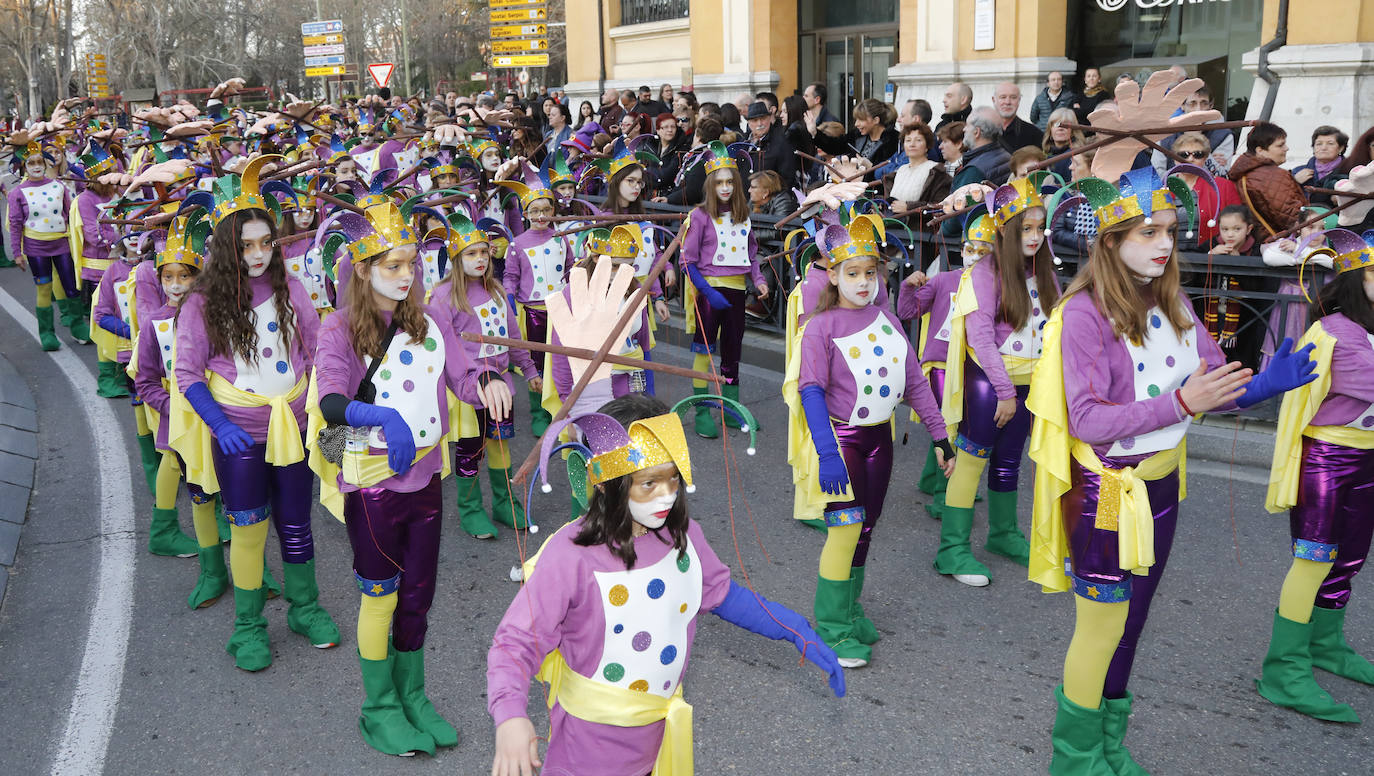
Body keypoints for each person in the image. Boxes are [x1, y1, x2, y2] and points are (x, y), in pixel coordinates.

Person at [1028, 166, 1316, 774]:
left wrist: (1265, 383)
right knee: (1102, 626)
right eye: (1149, 232)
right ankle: (1074, 758)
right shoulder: (1082, 313)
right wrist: (1183, 403)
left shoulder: (1173, 299)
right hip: (1108, 489)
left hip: (1160, 483)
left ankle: (1108, 744)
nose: (1166, 243)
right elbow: (1086, 419)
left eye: (1171, 229)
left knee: (1132, 624)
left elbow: (1211, 383)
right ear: (1109, 240)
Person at [489, 309, 844, 775]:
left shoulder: (683, 535)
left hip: (656, 739)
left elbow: (721, 594)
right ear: (608, 484)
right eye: (647, 484)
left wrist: (792, 627)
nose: (666, 496)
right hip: (585, 748)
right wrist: (510, 717)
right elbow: (514, 643)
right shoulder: (570, 554)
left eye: (673, 480)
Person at [310, 199, 512, 756]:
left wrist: (489, 380)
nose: (405, 276)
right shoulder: (338, 326)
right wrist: (379, 416)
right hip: (372, 479)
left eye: (411, 265)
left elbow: (462, 372)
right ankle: (378, 708)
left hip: (424, 477)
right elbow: (329, 400)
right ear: (363, 266)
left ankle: (412, 694)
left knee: (419, 594)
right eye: (391, 265)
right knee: (381, 596)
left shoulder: (432, 317)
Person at [171, 158, 340, 672]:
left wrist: (323, 412)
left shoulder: (293, 290)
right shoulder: (201, 303)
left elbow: (318, 350)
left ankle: (305, 609)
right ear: (226, 246)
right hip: (238, 438)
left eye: (266, 241)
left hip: (294, 432)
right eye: (246, 245)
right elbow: (186, 373)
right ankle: (248, 627)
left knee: (296, 525)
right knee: (247, 529)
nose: (259, 253)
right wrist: (220, 426)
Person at [786, 212, 954, 668]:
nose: (863, 282)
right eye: (852, 273)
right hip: (843, 440)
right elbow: (811, 392)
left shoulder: (888, 319)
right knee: (843, 531)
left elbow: (915, 380)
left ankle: (850, 609)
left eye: (870, 272)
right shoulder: (821, 326)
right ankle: (831, 626)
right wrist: (826, 452)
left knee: (867, 529)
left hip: (881, 438)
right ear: (833, 276)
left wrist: (940, 436)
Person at [1258, 228, 1374, 725]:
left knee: (1349, 559)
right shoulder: (1333, 332)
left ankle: (1326, 644)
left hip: (1368, 458)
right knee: (1313, 560)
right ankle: (1283, 669)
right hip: (1327, 459)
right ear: (1353, 277)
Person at [938, 177, 1061, 588]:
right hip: (991, 385)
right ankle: (952, 550)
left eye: (1039, 227)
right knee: (971, 461)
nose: (1035, 236)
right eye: (1025, 228)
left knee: (1010, 462)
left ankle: (1003, 534)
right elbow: (981, 339)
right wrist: (1006, 392)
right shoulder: (983, 273)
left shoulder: (1044, 272)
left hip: (1032, 386)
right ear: (1005, 231)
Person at [132, 210, 232, 606]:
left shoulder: (218, 317)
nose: (175, 285)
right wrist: (176, 408)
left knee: (240, 498)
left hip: (224, 420)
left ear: (198, 277)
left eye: (184, 276)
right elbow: (144, 382)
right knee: (200, 498)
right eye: (167, 277)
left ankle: (254, 574)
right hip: (184, 429)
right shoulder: (154, 326)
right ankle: (211, 572)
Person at [426, 207, 538, 539]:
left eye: (484, 252)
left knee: (500, 444)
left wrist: (529, 369)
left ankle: (504, 503)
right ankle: (471, 509)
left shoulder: (498, 291)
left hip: (500, 386)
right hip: (468, 391)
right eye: (471, 253)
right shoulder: (443, 297)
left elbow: (512, 336)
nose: (480, 259)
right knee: (469, 451)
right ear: (455, 256)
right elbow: (442, 349)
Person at [898, 206, 996, 520]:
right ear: (962, 249)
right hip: (941, 367)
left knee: (955, 425)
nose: (976, 255)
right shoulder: (943, 281)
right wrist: (907, 286)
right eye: (971, 248)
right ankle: (944, 493)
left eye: (984, 250)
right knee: (951, 428)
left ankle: (931, 478)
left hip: (972, 366)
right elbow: (908, 312)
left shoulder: (996, 284)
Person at [680, 142, 769, 438]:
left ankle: (731, 409)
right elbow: (687, 262)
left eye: (730, 181)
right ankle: (703, 411)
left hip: (735, 292)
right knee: (704, 352)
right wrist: (707, 291)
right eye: (720, 182)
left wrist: (758, 280)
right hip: (709, 293)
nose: (726, 187)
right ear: (710, 185)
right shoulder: (700, 217)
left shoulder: (744, 216)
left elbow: (751, 255)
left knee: (733, 352)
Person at [499, 163, 571, 439]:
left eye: (546, 210)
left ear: (553, 211)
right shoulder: (517, 244)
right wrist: (507, 299)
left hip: (560, 310)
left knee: (560, 361)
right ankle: (538, 412)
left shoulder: (561, 238)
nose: (541, 216)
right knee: (537, 363)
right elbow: (511, 277)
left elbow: (569, 268)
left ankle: (557, 408)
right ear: (526, 213)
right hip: (534, 313)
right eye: (535, 211)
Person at [9, 141, 86, 349]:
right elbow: (15, 224)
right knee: (44, 289)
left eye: (39, 161)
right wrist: (17, 253)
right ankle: (47, 334)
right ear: (24, 166)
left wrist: (79, 241)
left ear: (45, 163)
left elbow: (70, 215)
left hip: (62, 245)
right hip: (36, 249)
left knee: (71, 286)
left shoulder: (58, 186)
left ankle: (78, 326)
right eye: (31, 162)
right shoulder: (17, 193)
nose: (36, 166)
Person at [1230, 121, 1309, 238]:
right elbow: (1292, 218)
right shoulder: (1272, 176)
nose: (1286, 148)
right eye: (1280, 145)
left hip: (1254, 243)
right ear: (1260, 150)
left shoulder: (1242, 172)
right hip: (1280, 244)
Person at [884, 122, 952, 243]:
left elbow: (940, 206)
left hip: (921, 238)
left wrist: (909, 208)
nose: (912, 144)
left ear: (927, 146)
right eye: (908, 140)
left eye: (918, 140)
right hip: (894, 238)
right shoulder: (899, 171)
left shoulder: (936, 171)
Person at [1171, 131, 1242, 245]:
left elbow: (1240, 224)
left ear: (1205, 159)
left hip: (1210, 256)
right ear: (1174, 158)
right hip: (1169, 256)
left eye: (1197, 154)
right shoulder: (1162, 187)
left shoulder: (1223, 186)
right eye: (1184, 154)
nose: (1190, 159)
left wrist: (1224, 247)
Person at [813, 98, 898, 168]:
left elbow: (890, 171)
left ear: (876, 120)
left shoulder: (894, 141)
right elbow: (835, 146)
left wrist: (871, 166)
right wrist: (815, 133)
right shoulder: (856, 136)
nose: (856, 124)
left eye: (861, 119)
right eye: (856, 119)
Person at [744, 100, 799, 188]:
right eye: (755, 120)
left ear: (769, 119)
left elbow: (787, 178)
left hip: (771, 198)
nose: (759, 123)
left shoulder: (782, 143)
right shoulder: (743, 143)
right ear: (749, 123)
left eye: (763, 118)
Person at [1294, 125, 1349, 200]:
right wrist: (1295, 182)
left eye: (1330, 143)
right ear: (1313, 148)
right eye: (1319, 144)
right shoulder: (1297, 172)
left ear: (1341, 148)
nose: (1323, 148)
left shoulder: (1350, 172)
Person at [748, 169, 797, 246]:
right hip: (758, 248)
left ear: (766, 192)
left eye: (753, 187)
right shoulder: (753, 202)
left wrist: (750, 236)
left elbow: (778, 232)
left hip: (776, 252)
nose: (749, 190)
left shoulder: (783, 201)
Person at [994, 82, 1043, 154]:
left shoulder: (1034, 134)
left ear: (1019, 100)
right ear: (994, 100)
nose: (1007, 102)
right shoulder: (983, 132)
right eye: (1003, 97)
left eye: (1013, 97)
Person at [1042, 108, 1084, 181]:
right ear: (1050, 129)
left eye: (1065, 125)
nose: (1060, 128)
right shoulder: (1044, 154)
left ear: (1073, 130)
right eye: (1056, 124)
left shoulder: (1078, 154)